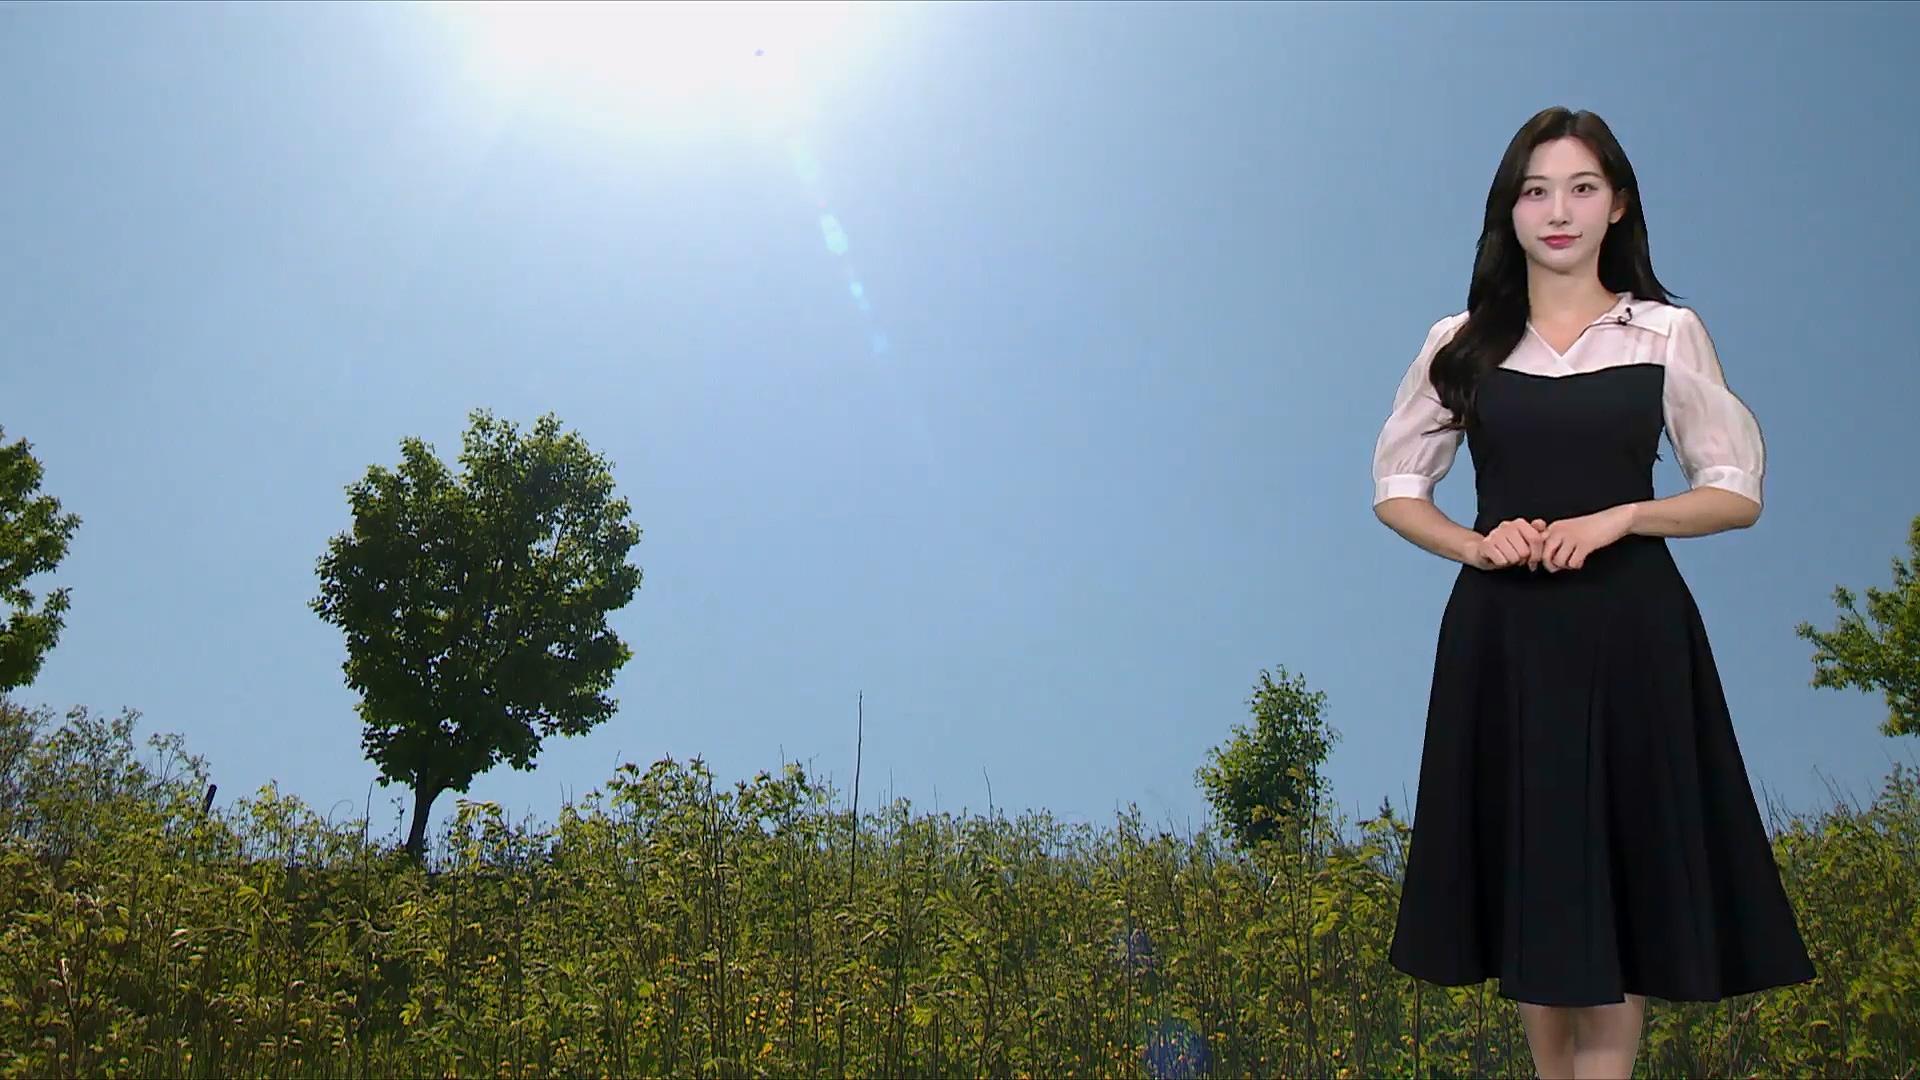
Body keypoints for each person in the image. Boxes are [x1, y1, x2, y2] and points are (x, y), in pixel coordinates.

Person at [1370, 106, 1816, 1080]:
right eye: (1535, 191)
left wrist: (1623, 517)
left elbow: (1734, 490)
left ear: (1617, 205)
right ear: (1510, 210)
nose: (1558, 211)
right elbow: (1398, 488)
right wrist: (1477, 544)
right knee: (1535, 870)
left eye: (1580, 188)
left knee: (1622, 869)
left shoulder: (1665, 332)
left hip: (1632, 631)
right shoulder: (1461, 341)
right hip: (1504, 636)